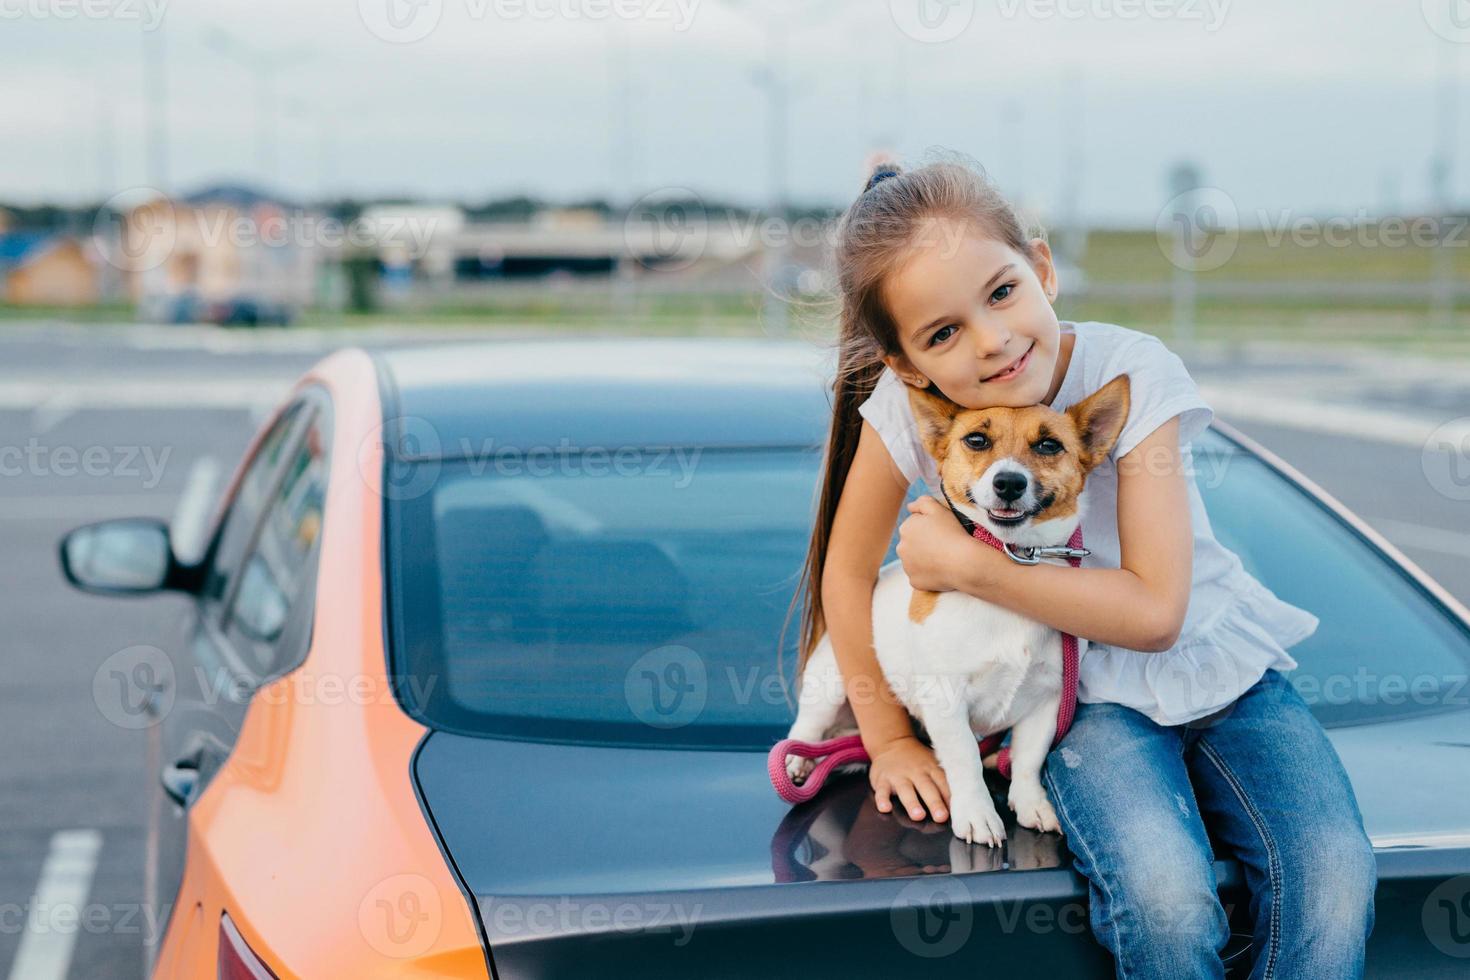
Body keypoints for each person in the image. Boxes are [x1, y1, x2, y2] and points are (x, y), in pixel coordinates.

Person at [781, 152, 1376, 978]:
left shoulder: (1130, 372)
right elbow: (847, 574)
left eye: (1001, 292)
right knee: (1165, 901)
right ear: (909, 365)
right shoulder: (907, 413)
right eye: (944, 333)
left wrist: (968, 567)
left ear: (1043, 267)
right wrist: (886, 738)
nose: (992, 342)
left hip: (1218, 665)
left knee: (1336, 875)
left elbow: (1156, 614)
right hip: (1079, 697)